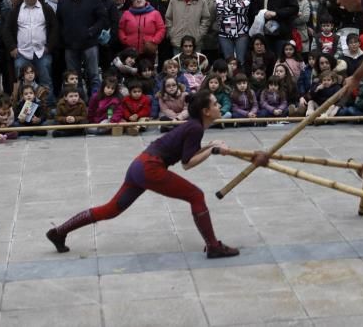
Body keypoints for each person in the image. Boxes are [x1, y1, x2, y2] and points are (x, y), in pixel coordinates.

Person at [47, 91, 239, 258]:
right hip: (150, 168)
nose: (219, 106)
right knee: (196, 196)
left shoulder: (194, 126)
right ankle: (213, 246)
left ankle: (59, 232)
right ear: (206, 111)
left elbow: (189, 154)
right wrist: (212, 151)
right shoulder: (195, 128)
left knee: (111, 209)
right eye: (215, 103)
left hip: (140, 165)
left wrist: (210, 146)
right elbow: (187, 164)